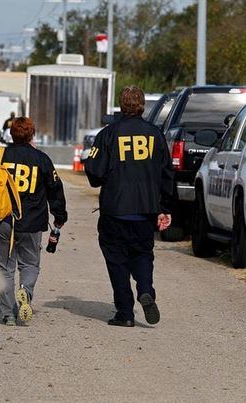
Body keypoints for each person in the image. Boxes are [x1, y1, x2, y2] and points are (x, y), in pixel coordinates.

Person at [84, 85, 174, 327]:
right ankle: (145, 289)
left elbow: (94, 172)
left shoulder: (108, 134)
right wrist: (165, 207)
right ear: (143, 105)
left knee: (117, 261)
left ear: (121, 105)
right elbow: (167, 174)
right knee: (143, 254)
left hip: (115, 209)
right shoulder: (155, 134)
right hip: (146, 210)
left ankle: (125, 313)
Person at [0, 117, 67, 326]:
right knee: (30, 264)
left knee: (5, 267)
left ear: (11, 134)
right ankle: (25, 291)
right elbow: (55, 189)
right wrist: (60, 217)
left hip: (3, 219)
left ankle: (7, 314)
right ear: (32, 134)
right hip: (32, 222)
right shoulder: (42, 159)